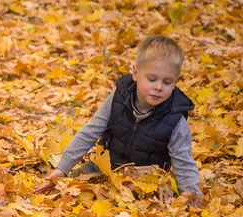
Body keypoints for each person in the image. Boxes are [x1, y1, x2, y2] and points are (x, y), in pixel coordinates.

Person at [36, 35, 201, 206]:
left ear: (175, 83)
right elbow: (89, 132)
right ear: (135, 73)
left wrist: (191, 199)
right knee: (68, 190)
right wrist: (62, 168)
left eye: (167, 82)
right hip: (105, 168)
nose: (158, 87)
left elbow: (183, 161)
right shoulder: (118, 99)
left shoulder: (175, 119)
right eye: (152, 79)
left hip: (145, 181)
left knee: (149, 206)